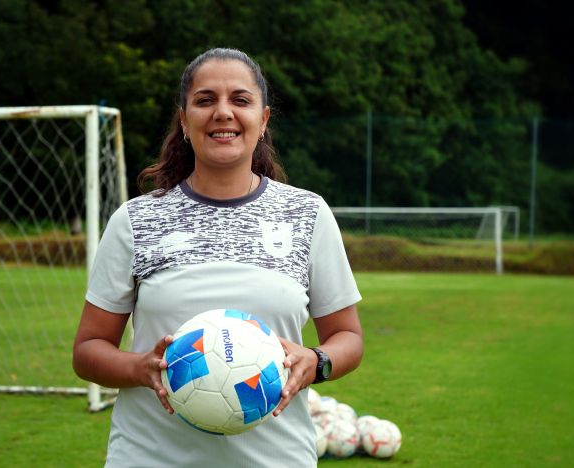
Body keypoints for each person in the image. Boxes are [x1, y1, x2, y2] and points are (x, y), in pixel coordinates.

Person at [73, 47, 363, 467]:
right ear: (185, 121)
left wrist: (316, 361)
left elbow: (348, 338)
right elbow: (88, 349)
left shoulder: (307, 214)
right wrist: (142, 367)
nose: (222, 113)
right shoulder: (136, 219)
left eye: (240, 100)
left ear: (262, 121)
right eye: (205, 100)